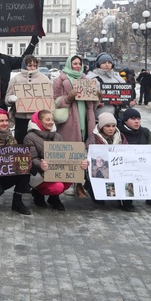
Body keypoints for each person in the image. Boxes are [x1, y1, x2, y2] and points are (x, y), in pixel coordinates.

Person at [24, 110, 88, 211]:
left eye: (52, 119)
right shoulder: (29, 137)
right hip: (39, 174)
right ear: (39, 121)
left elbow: (65, 156)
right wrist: (41, 165)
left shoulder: (57, 136)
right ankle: (38, 192)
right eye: (47, 119)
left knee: (71, 177)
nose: (51, 122)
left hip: (57, 171)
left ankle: (54, 198)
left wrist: (80, 163)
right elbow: (32, 158)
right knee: (58, 187)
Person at [53, 55, 97, 198]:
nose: (77, 66)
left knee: (83, 151)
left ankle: (79, 183)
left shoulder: (86, 81)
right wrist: (68, 98)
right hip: (69, 121)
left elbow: (93, 105)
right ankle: (68, 182)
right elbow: (54, 101)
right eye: (75, 63)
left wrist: (97, 96)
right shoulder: (59, 80)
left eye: (79, 64)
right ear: (69, 64)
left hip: (85, 119)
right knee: (70, 152)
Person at [118, 108, 151, 208]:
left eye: (138, 118)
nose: (137, 121)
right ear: (125, 121)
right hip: (126, 164)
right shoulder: (119, 132)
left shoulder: (145, 132)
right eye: (133, 119)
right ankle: (126, 199)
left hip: (144, 164)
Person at [84, 112, 134, 211]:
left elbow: (128, 154)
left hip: (118, 168)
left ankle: (126, 201)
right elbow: (87, 155)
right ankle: (92, 188)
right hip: (101, 170)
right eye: (107, 126)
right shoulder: (93, 140)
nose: (111, 129)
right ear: (101, 127)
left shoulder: (121, 138)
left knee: (128, 177)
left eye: (113, 126)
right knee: (100, 200)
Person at [5, 54, 51, 144]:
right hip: (20, 117)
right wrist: (11, 99)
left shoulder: (44, 79)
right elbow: (7, 99)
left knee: (37, 143)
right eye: (29, 65)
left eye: (34, 65)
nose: (32, 68)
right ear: (24, 65)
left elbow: (50, 99)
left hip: (38, 118)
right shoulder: (16, 79)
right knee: (21, 142)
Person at [87, 52, 134, 119]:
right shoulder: (91, 78)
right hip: (98, 116)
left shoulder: (118, 78)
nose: (107, 65)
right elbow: (86, 101)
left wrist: (128, 102)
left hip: (116, 116)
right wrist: (96, 104)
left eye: (109, 62)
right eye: (104, 62)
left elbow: (124, 96)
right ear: (98, 64)